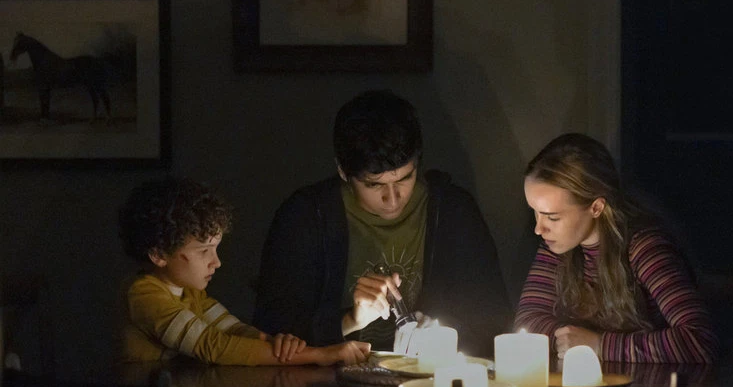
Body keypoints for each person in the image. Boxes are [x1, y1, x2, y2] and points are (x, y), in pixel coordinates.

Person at [253, 90, 510, 357]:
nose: (392, 199)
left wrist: (445, 333)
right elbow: (271, 328)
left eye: (403, 179)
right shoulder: (307, 216)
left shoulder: (452, 211)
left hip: (430, 382)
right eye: (374, 185)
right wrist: (350, 320)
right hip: (326, 384)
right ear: (343, 171)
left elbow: (493, 319)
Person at [119, 176, 371, 366]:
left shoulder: (191, 294)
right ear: (159, 254)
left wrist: (278, 343)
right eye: (204, 251)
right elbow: (214, 346)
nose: (216, 262)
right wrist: (318, 354)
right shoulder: (144, 295)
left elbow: (234, 329)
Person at [514, 133, 719, 363]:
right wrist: (573, 340)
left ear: (596, 207)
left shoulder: (643, 248)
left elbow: (698, 341)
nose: (539, 229)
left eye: (552, 217)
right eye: (535, 212)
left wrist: (599, 345)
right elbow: (528, 320)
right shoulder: (558, 245)